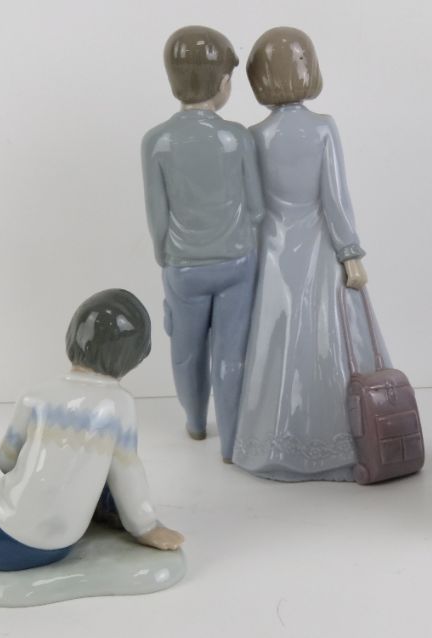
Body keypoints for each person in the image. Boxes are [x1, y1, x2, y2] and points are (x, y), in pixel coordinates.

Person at [0, 289, 184, 571]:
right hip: (62, 545)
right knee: (106, 461)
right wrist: (147, 527)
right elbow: (128, 470)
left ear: (72, 337)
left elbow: (6, 462)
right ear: (136, 356)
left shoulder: (35, 397)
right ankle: (111, 516)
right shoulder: (119, 404)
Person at [232, 27, 388, 481]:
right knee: (327, 340)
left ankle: (269, 441)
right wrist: (350, 251)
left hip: (274, 250)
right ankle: (341, 442)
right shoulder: (322, 128)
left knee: (275, 340)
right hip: (319, 246)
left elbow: (253, 205)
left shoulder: (254, 135)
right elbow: (335, 198)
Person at [142, 26, 264, 462]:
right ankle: (231, 443)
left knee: (186, 352)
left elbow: (157, 215)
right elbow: (257, 208)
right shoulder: (237, 137)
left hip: (183, 265)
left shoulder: (157, 141)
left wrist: (165, 256)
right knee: (232, 355)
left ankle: (195, 422)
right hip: (237, 260)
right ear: (224, 82)